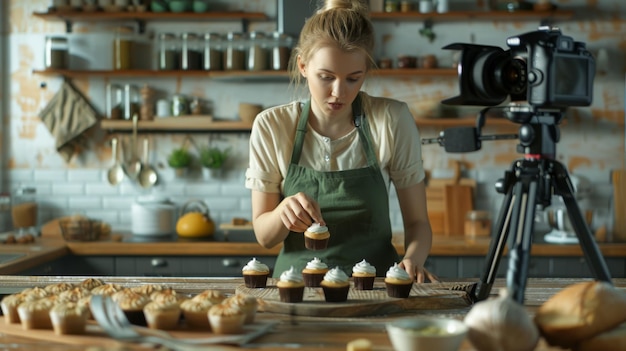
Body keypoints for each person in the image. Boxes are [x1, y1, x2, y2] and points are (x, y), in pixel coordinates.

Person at [245, 0, 434, 282]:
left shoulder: (391, 119)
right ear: (303, 65)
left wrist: (413, 259)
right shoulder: (272, 126)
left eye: (353, 79)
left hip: (376, 287)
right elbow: (265, 237)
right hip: (296, 288)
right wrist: (282, 212)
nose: (339, 92)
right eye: (326, 77)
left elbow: (418, 223)